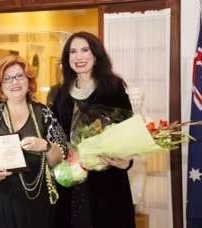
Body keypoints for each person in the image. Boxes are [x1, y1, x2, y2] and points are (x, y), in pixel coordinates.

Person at [0, 55, 67, 228]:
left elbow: (59, 157)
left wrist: (46, 146)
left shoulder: (43, 113)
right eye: (7, 78)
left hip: (37, 198)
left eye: (19, 76)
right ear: (0, 85)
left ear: (29, 80)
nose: (14, 82)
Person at [51, 31, 135, 228]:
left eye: (84, 50)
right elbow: (54, 134)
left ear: (96, 55)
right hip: (70, 182)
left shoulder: (113, 87)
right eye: (73, 52)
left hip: (107, 182)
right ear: (67, 58)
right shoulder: (60, 93)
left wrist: (126, 162)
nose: (79, 56)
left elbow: (128, 132)